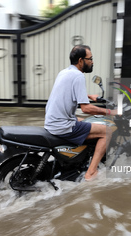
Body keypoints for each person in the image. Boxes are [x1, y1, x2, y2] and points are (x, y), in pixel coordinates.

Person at [44, 45, 114, 181]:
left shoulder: (64, 72)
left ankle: (80, 160)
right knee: (107, 131)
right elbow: (86, 109)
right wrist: (112, 112)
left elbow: (69, 91)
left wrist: (88, 96)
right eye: (90, 59)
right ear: (81, 60)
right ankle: (91, 172)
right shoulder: (78, 76)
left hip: (53, 121)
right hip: (63, 126)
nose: (92, 62)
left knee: (86, 120)